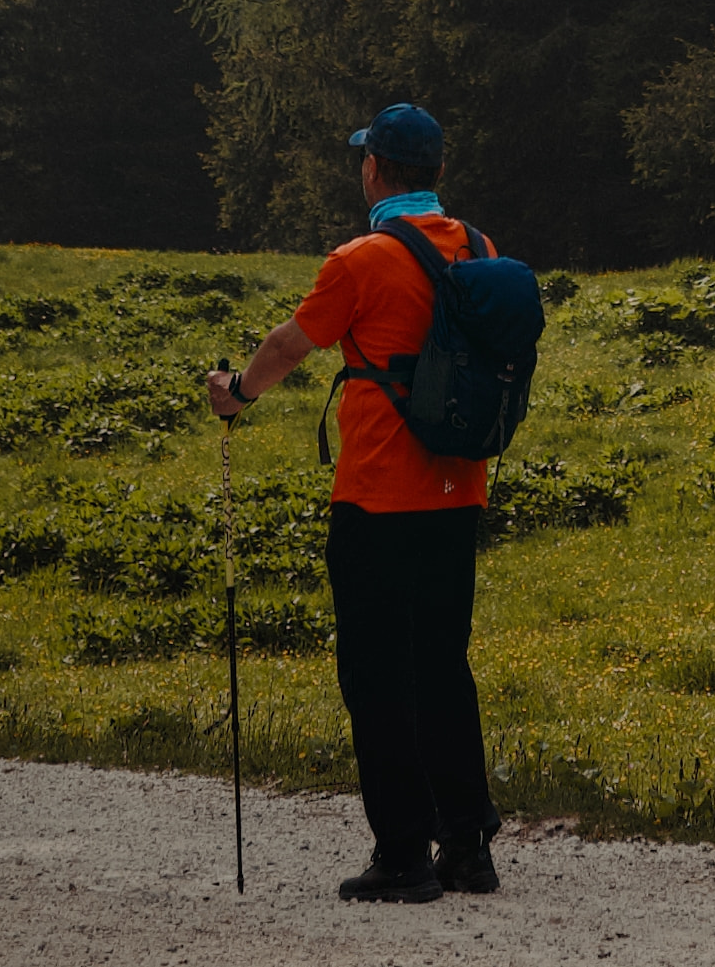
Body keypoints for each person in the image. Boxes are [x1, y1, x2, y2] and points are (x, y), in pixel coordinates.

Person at [207, 99, 502, 903]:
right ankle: (469, 847)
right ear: (438, 172)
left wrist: (235, 393)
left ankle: (403, 853)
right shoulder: (478, 245)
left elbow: (287, 346)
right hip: (458, 488)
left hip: (376, 497)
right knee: (444, 664)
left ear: (374, 168)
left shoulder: (359, 258)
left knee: (377, 673)